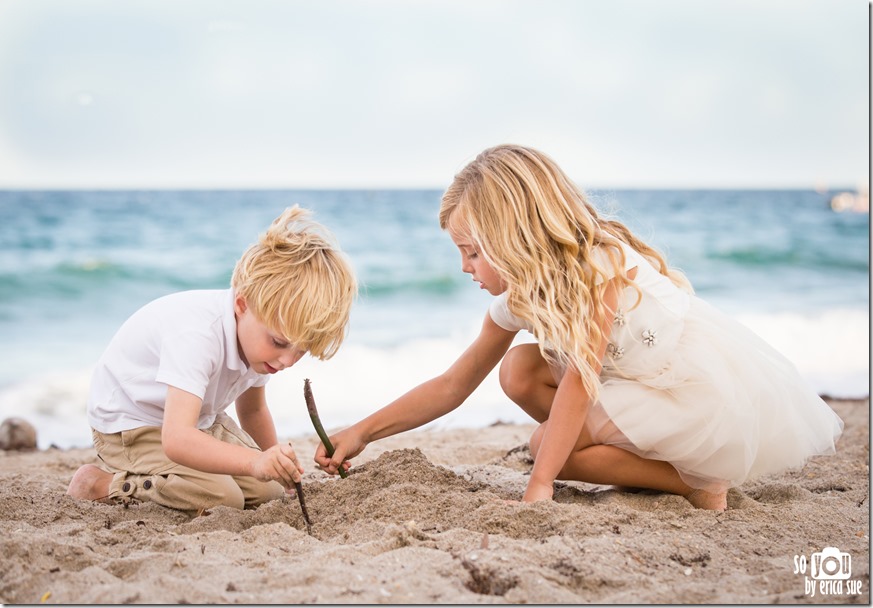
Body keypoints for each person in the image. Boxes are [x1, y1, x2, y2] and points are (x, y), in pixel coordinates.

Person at [315, 144, 844, 511]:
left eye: (472, 253)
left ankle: (696, 483)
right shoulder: (523, 297)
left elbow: (579, 381)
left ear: (512, 238)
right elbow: (454, 384)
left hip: (693, 395)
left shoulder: (598, 267)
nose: (464, 268)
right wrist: (359, 431)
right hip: (640, 388)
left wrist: (540, 483)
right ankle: (660, 470)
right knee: (518, 369)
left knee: (546, 445)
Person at [67, 206, 356, 513]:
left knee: (268, 490)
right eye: (280, 343)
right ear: (242, 305)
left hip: (196, 422)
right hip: (130, 424)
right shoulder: (198, 335)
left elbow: (254, 411)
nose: (287, 360)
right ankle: (100, 483)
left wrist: (278, 466)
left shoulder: (258, 340)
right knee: (222, 497)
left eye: (301, 350)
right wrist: (256, 461)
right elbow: (177, 438)